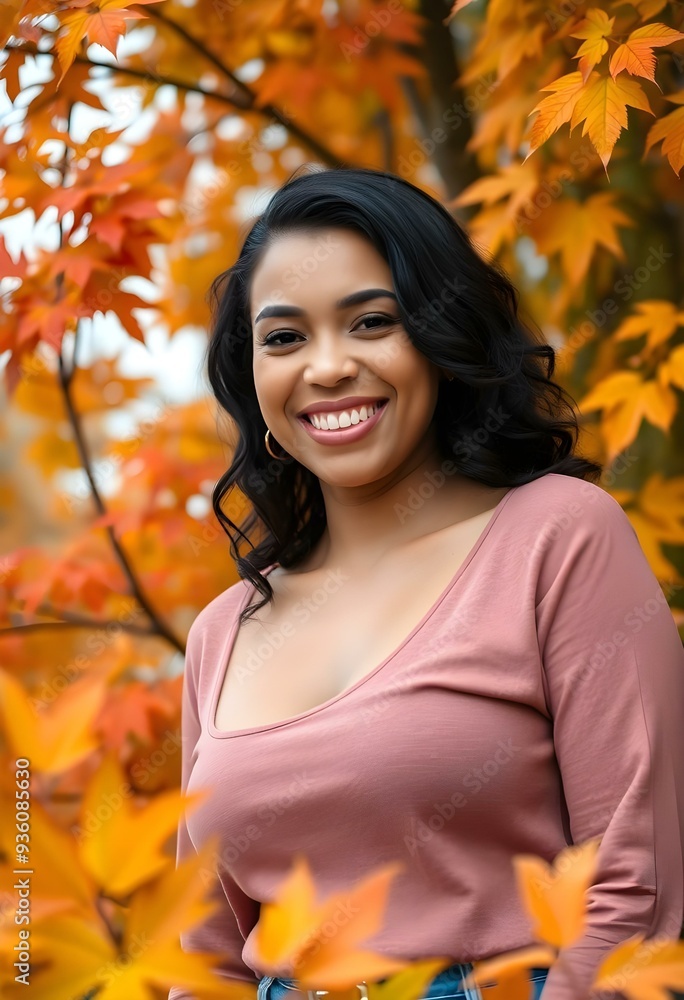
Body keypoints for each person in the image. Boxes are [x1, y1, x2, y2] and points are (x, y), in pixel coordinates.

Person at [168, 165, 684, 1000]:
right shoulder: (223, 633)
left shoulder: (557, 538)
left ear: (444, 339)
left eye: (373, 321)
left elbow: (633, 889)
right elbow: (203, 958)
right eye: (285, 337)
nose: (328, 367)